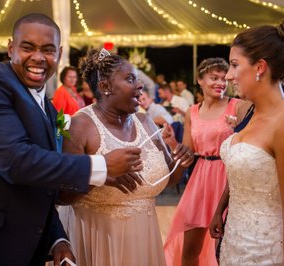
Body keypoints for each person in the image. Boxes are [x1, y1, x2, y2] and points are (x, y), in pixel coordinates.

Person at [0, 13, 144, 266]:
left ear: (59, 54)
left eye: (48, 50)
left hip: (19, 247)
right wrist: (102, 166)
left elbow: (40, 186)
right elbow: (15, 161)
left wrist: (57, 240)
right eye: (28, 47)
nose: (39, 57)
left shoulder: (50, 110)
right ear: (11, 48)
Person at [59, 48, 195, 266]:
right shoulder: (80, 125)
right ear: (105, 87)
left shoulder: (145, 121)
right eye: (131, 79)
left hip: (145, 235)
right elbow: (62, 195)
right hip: (100, 237)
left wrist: (181, 162)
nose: (140, 85)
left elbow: (168, 179)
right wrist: (101, 173)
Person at [217, 16, 284, 265]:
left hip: (269, 254)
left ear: (259, 67)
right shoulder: (253, 112)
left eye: (234, 65)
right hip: (236, 244)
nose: (228, 76)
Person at [163, 58, 250, 266]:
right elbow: (188, 154)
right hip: (200, 179)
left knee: (225, 246)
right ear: (200, 80)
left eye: (223, 78)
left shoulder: (237, 106)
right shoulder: (192, 112)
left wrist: (237, 128)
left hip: (227, 177)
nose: (220, 82)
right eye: (214, 78)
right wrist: (172, 142)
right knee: (189, 248)